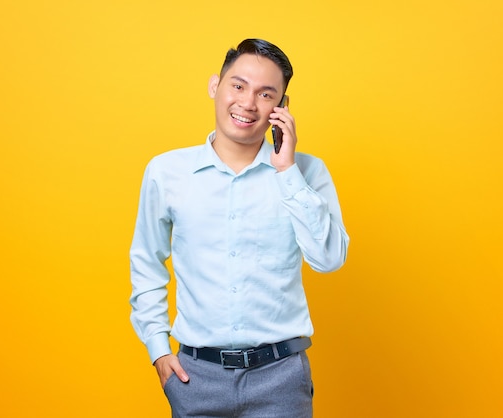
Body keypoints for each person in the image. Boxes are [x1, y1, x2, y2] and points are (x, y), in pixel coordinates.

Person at [130, 38, 349, 417]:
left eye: (266, 94)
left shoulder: (308, 172)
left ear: (281, 107)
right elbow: (146, 262)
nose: (248, 103)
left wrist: (287, 172)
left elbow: (329, 259)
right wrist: (158, 349)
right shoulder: (166, 173)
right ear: (215, 86)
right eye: (238, 86)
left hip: (281, 379)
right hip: (195, 378)